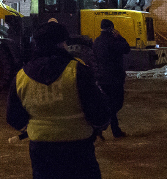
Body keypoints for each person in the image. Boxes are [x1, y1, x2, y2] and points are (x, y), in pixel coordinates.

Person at [7, 21, 110, 179]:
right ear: (62, 43)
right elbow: (99, 112)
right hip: (78, 149)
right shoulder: (77, 71)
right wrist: (99, 126)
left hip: (41, 151)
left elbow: (13, 117)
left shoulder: (21, 76)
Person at [93, 18, 131, 138]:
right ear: (111, 28)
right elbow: (126, 49)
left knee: (109, 103)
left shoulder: (97, 41)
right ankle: (111, 128)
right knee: (117, 104)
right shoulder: (113, 41)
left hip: (101, 78)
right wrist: (120, 37)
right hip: (114, 78)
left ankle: (107, 129)